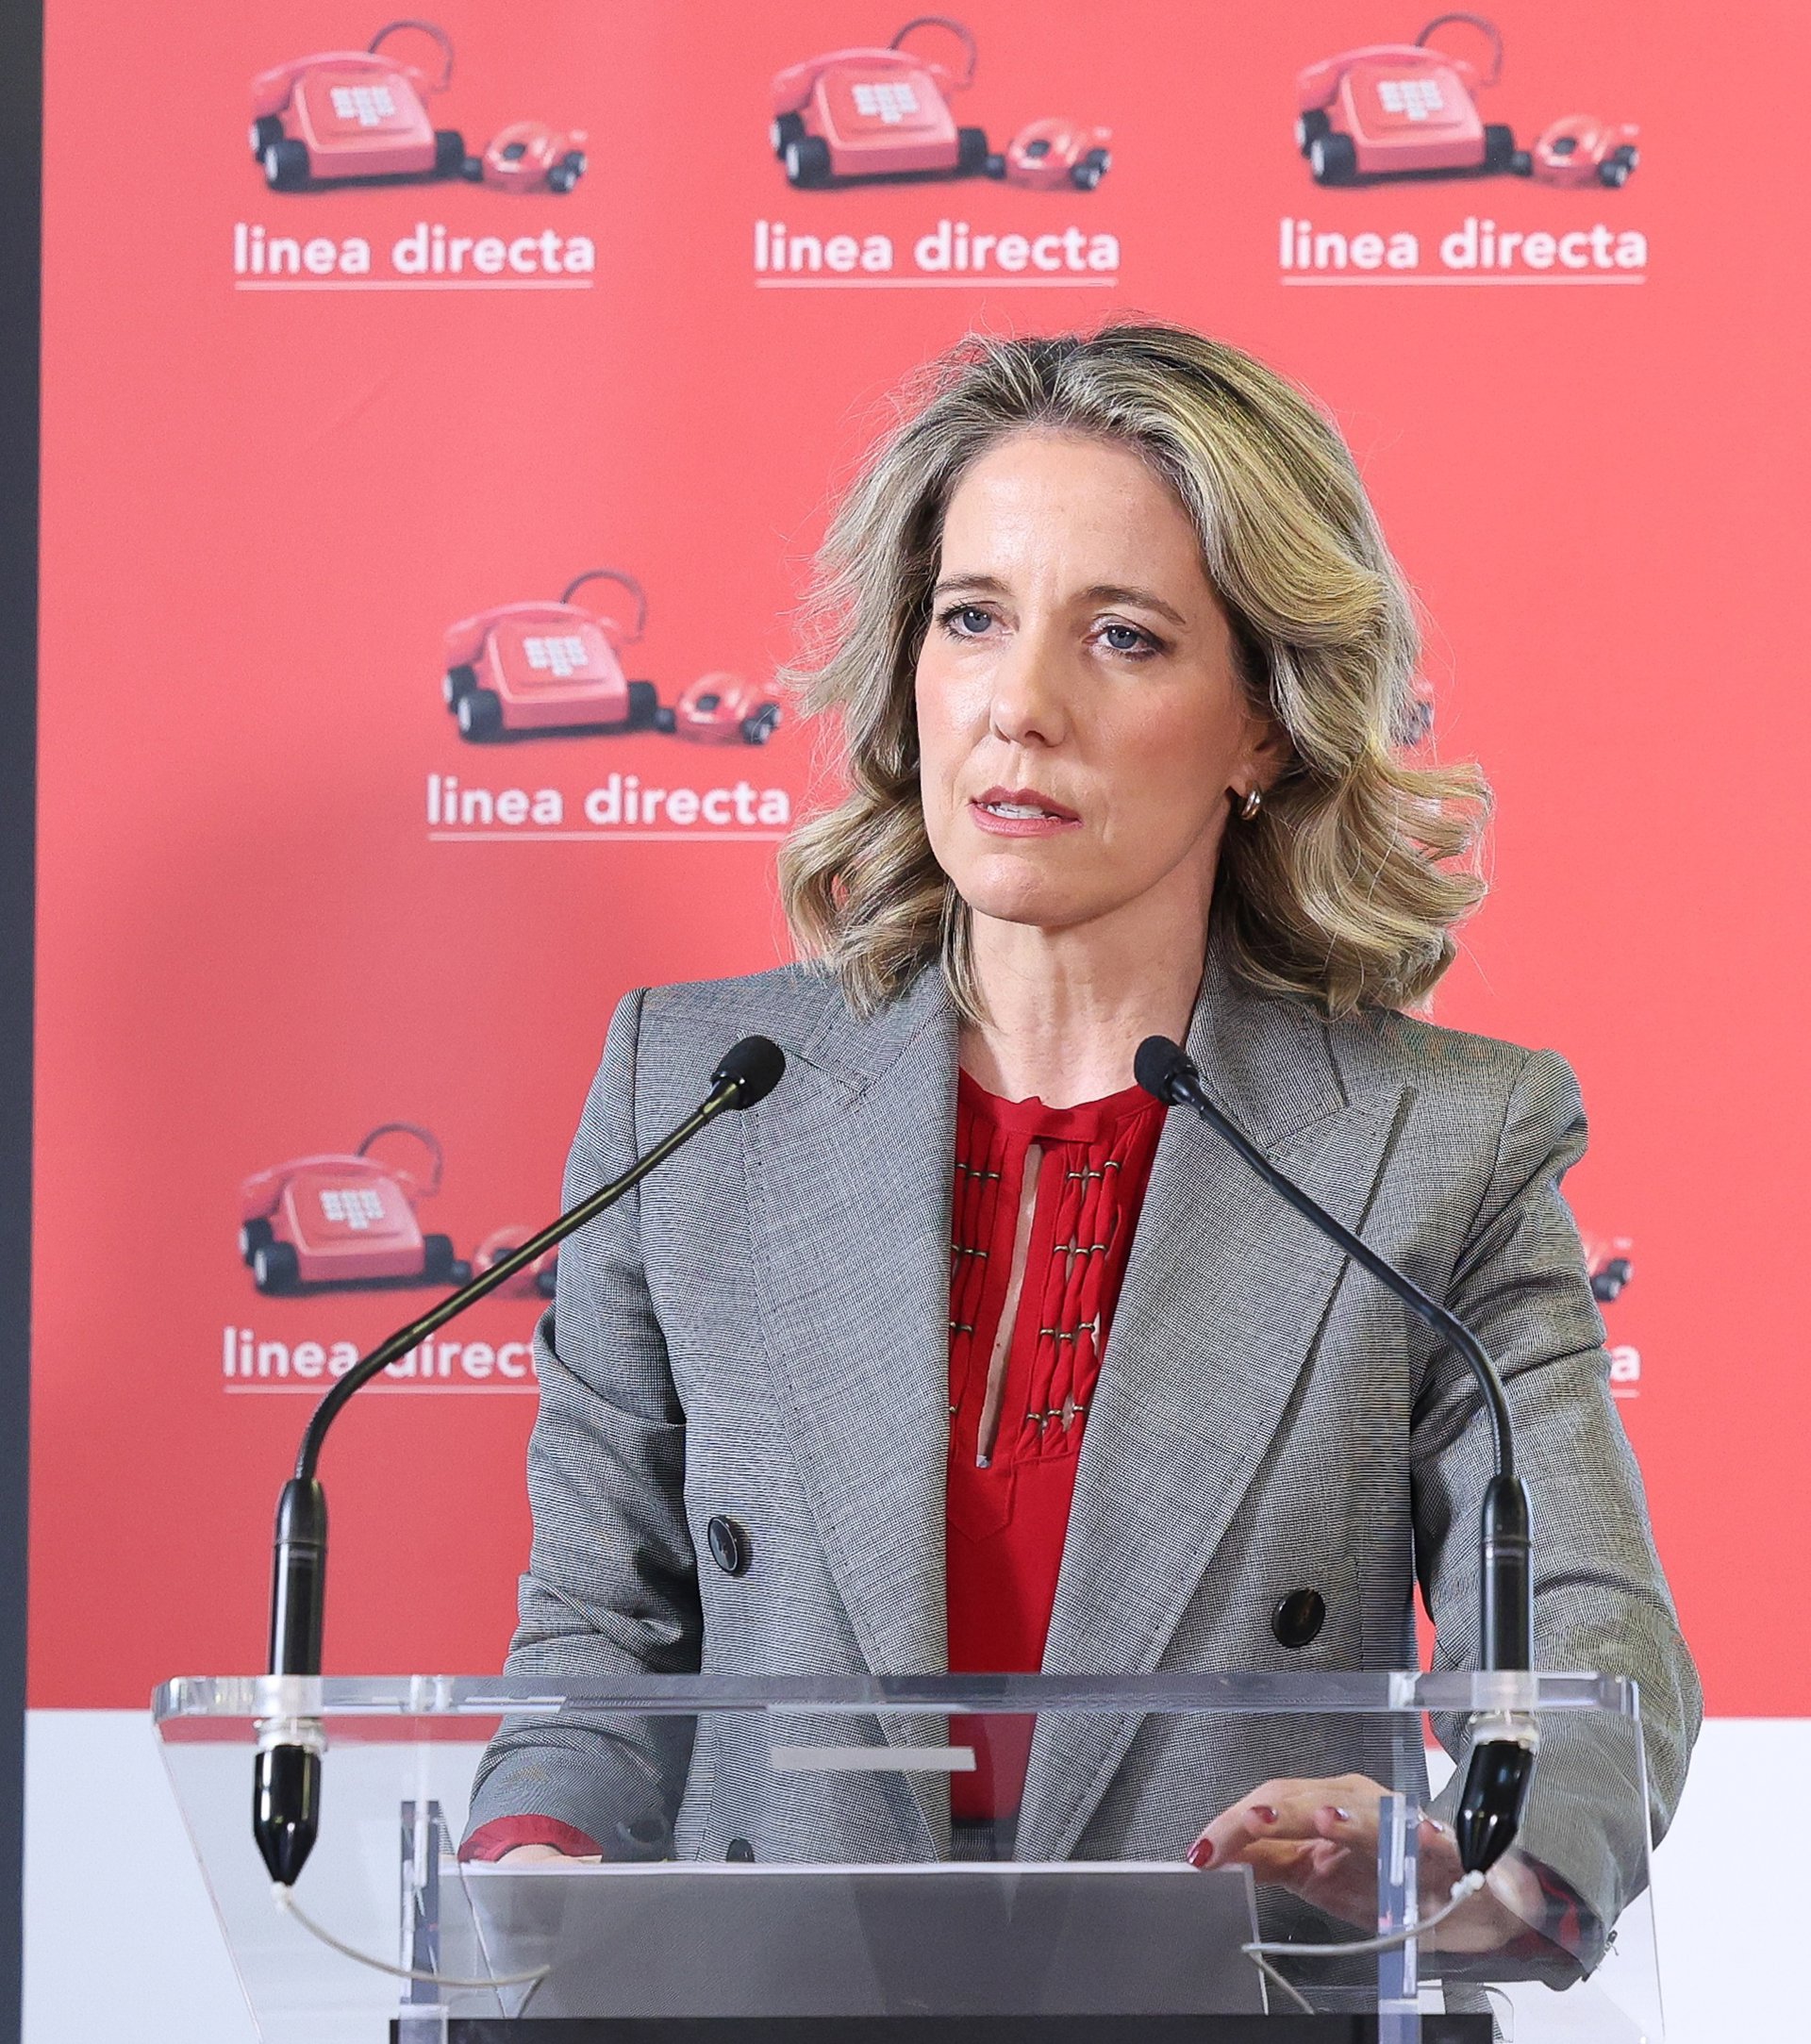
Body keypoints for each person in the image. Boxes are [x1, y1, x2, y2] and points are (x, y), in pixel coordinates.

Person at [462, 324, 1699, 1969]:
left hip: (1238, 1996)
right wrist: (529, 1867)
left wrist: (1466, 1871)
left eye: (1123, 637)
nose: (1020, 709)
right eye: (973, 618)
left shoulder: (1439, 1145)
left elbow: (1590, 1643)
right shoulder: (696, 1097)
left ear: (1264, 726)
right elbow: (594, 1643)